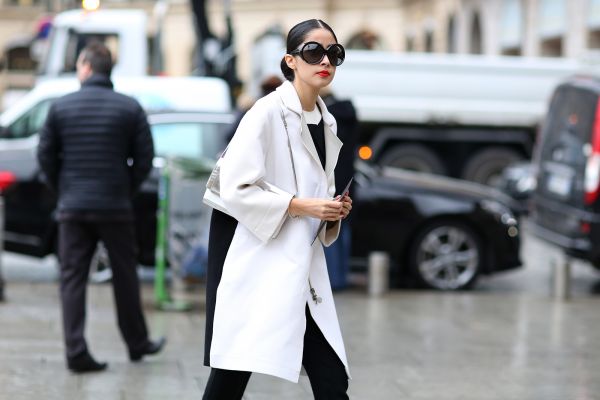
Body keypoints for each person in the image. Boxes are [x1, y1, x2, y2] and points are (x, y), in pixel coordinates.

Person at [202, 19, 352, 399]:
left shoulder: (327, 121)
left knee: (333, 380)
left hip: (303, 267)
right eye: (313, 52)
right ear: (290, 61)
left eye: (334, 53)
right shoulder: (265, 112)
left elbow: (317, 189)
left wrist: (332, 209)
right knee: (231, 376)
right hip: (261, 262)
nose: (325, 61)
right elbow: (234, 187)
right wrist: (300, 205)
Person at [37, 41, 166, 373]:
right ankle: (137, 343)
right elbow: (144, 159)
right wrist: (125, 189)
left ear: (85, 67)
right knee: (125, 275)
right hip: (115, 207)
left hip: (73, 207)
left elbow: (45, 156)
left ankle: (76, 351)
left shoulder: (60, 107)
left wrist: (64, 189)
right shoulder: (130, 108)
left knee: (72, 278)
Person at [322, 92, 358, 291]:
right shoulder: (350, 115)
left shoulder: (329, 119)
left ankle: (333, 280)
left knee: (330, 228)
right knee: (344, 230)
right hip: (348, 182)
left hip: (333, 180)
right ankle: (342, 277)